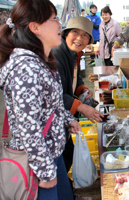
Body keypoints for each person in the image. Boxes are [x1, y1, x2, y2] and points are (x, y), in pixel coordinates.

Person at [0, 0, 81, 199]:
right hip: (35, 164)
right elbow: (29, 127)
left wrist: (66, 117)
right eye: (54, 18)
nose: (59, 24)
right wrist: (45, 171)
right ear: (35, 27)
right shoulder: (25, 69)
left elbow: (51, 104)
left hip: (52, 155)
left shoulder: (40, 61)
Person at [52, 16, 103, 176]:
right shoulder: (57, 55)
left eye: (85, 35)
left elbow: (75, 77)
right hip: (53, 119)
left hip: (65, 116)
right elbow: (55, 94)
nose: (80, 38)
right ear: (65, 33)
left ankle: (68, 191)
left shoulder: (74, 54)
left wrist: (82, 89)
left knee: (67, 154)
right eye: (75, 32)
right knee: (61, 159)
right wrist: (81, 107)